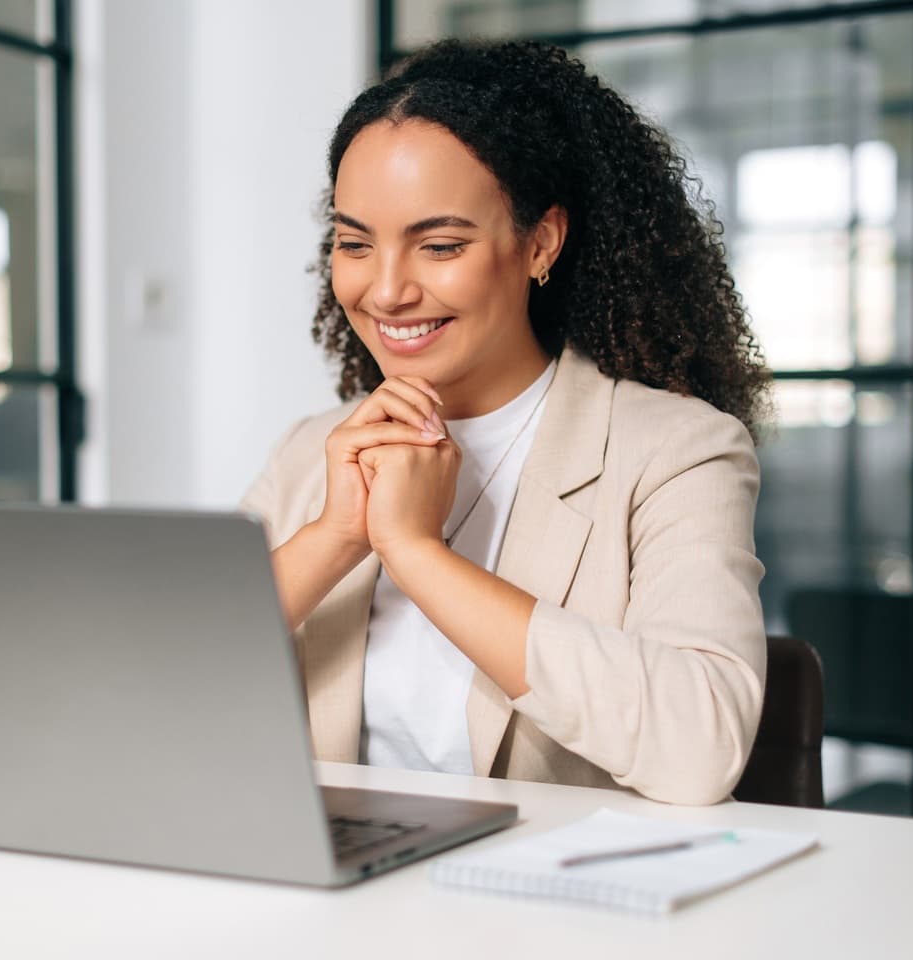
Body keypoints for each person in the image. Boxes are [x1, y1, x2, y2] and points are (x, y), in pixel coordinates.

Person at [242, 39, 770, 805]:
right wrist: (334, 538)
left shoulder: (675, 450)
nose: (386, 290)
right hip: (340, 903)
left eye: (441, 245)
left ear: (541, 242)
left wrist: (415, 553)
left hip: (555, 910)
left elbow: (700, 748)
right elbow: (148, 696)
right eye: (354, 243)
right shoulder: (308, 453)